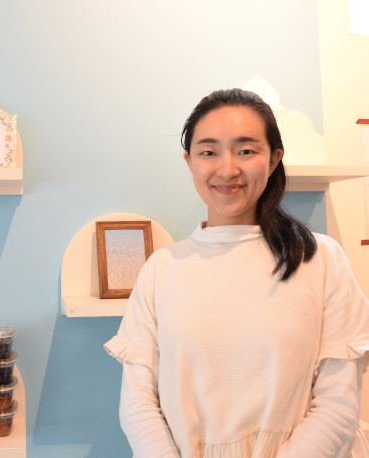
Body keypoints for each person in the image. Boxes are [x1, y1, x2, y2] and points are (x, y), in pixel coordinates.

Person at [104, 88, 369, 457]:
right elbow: (138, 404)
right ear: (189, 161)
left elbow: (338, 406)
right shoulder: (161, 270)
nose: (227, 169)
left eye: (246, 151)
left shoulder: (321, 260)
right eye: (208, 152)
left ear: (274, 159)